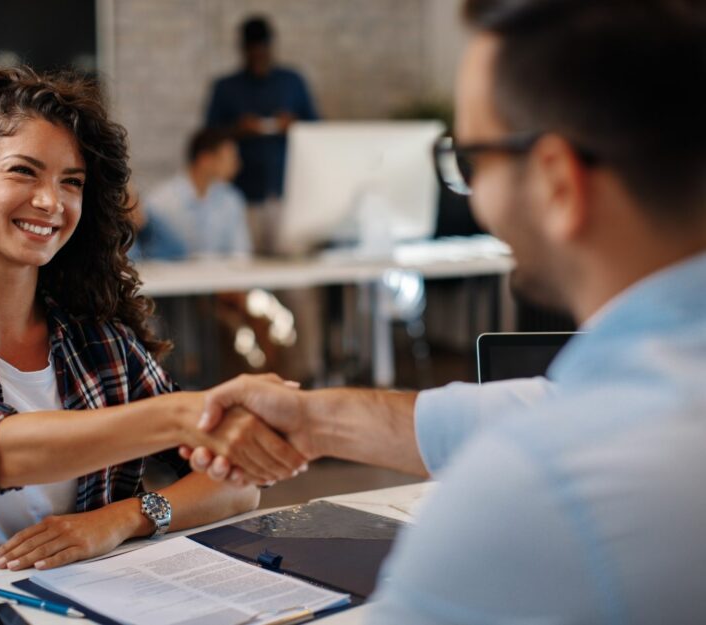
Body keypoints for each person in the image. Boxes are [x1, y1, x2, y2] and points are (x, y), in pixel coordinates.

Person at [185, 0, 706, 621]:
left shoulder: (536, 491)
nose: (471, 191)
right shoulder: (647, 396)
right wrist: (312, 420)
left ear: (557, 184)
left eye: (472, 160)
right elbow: (531, 406)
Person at [0, 65, 307, 567]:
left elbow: (236, 485)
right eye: (23, 171)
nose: (51, 201)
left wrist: (123, 518)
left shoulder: (99, 341)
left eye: (72, 181)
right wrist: (185, 416)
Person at [205, 15, 318, 252]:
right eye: (252, 51)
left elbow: (318, 128)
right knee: (246, 270)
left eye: (262, 50)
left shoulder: (292, 81)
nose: (258, 56)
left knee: (295, 275)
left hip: (287, 192)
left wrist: (294, 124)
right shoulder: (226, 87)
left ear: (270, 47)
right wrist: (239, 129)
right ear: (243, 50)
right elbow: (207, 137)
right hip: (243, 195)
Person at [133, 128, 251, 260]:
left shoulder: (231, 199)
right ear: (205, 159)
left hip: (223, 278)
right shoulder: (161, 201)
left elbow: (240, 254)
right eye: (230, 158)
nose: (237, 165)